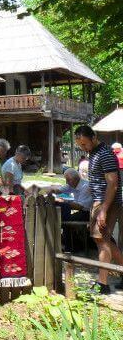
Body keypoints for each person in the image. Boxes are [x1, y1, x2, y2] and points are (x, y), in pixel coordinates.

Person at [74, 125, 123, 294]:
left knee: (101, 240)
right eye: (80, 145)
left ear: (93, 137)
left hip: (106, 203)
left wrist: (103, 210)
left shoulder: (105, 153)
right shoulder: (94, 153)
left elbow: (113, 183)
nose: (83, 148)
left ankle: (103, 285)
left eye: (85, 144)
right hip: (99, 202)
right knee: (105, 241)